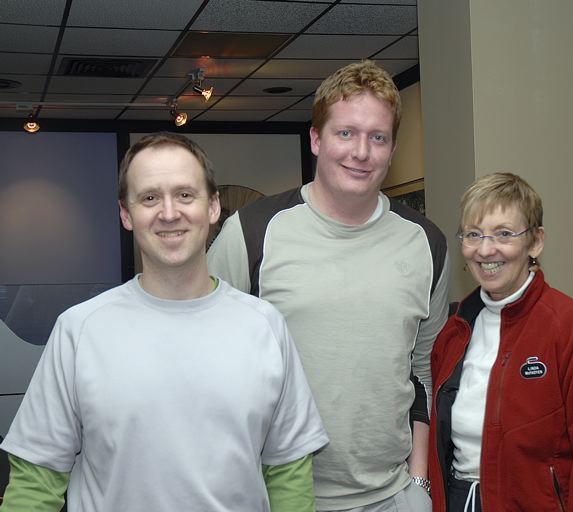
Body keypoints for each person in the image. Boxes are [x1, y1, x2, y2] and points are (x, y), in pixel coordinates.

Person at [0, 132, 328, 512]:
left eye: (185, 194)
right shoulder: (80, 330)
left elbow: (288, 474)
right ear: (126, 214)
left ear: (213, 207)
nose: (169, 213)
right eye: (150, 198)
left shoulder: (264, 326)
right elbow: (36, 482)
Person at [208, 60, 450, 511]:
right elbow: (207, 363)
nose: (361, 151)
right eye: (346, 133)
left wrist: (418, 482)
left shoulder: (426, 243)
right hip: (279, 495)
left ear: (393, 148)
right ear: (316, 139)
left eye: (377, 137)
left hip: (393, 494)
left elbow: (424, 372)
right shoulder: (252, 233)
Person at [428, 172, 573, 511]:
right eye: (473, 234)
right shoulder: (455, 331)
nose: (485, 250)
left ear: (535, 242)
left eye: (504, 234)